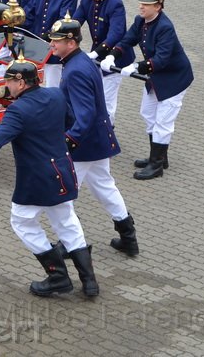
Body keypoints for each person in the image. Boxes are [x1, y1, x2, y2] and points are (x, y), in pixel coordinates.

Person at [0, 58, 98, 297]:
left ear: (21, 82)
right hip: (63, 172)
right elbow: (70, 123)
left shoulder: (18, 111)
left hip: (36, 180)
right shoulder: (56, 95)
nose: (7, 86)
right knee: (67, 222)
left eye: (9, 81)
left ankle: (58, 276)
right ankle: (90, 282)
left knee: (22, 221)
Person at [47, 15, 139, 257]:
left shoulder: (75, 69)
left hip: (84, 145)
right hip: (98, 141)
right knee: (105, 187)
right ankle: (128, 236)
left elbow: (85, 114)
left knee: (63, 195)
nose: (51, 45)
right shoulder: (81, 61)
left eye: (56, 41)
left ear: (71, 42)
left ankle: (71, 244)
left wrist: (68, 141)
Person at [99, 0, 194, 180]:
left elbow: (161, 59)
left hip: (174, 79)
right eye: (141, 3)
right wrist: (112, 55)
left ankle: (156, 165)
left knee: (163, 122)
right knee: (148, 114)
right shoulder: (141, 20)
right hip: (156, 77)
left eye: (146, 4)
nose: (141, 7)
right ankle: (159, 156)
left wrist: (136, 67)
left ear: (158, 6)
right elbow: (127, 40)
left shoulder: (165, 27)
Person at [72, 0, 132, 124]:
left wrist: (97, 52)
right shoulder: (86, 0)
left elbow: (116, 34)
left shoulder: (115, 4)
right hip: (97, 54)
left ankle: (108, 128)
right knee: (93, 92)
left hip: (115, 57)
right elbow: (76, 21)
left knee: (107, 96)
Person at [23, 0, 77, 87]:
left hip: (54, 49)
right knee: (31, 85)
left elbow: (61, 22)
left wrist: (45, 37)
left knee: (52, 86)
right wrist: (21, 29)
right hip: (35, 47)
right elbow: (30, 11)